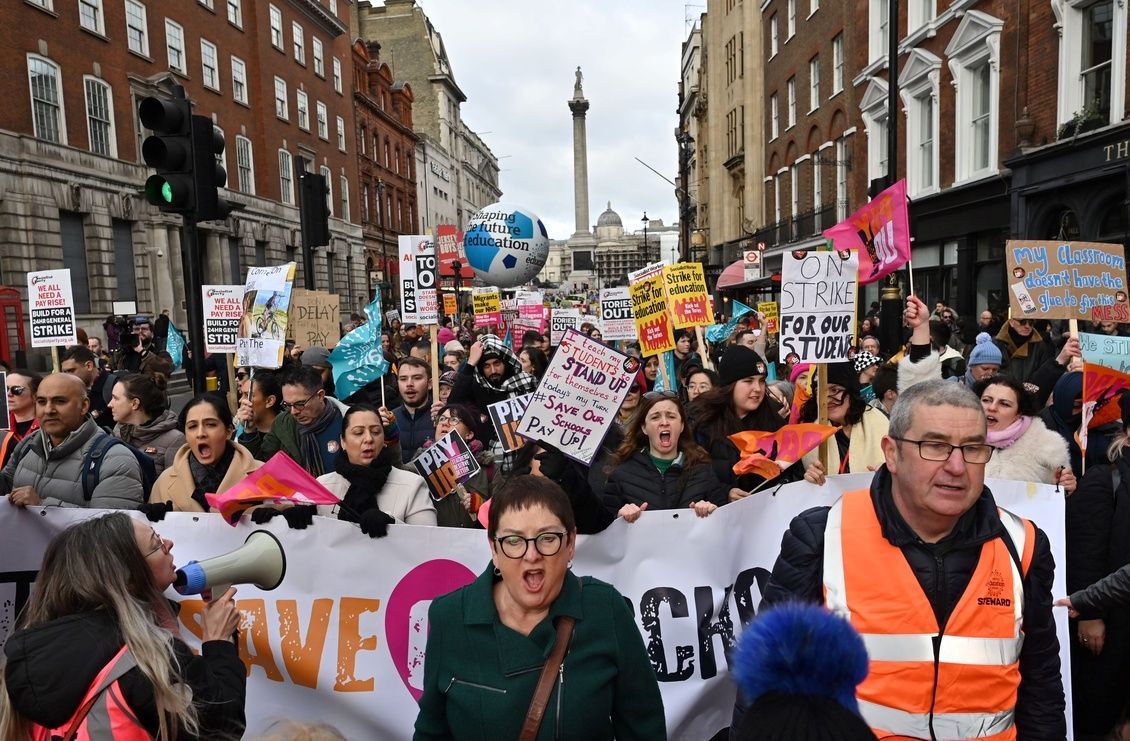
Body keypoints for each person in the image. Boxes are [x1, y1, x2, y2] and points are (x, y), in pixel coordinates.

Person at [759, 379, 1066, 739]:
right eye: (934, 446)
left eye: (972, 448)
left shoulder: (1023, 544)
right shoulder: (822, 536)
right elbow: (770, 685)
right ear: (891, 453)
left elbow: (1040, 682)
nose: (956, 466)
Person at [413, 476, 666, 740]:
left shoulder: (605, 609)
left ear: (570, 544)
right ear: (494, 549)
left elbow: (644, 727)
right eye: (513, 540)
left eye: (547, 538)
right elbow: (432, 731)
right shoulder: (450, 617)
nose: (531, 555)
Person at [0, 512, 246, 740]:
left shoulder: (33, 657)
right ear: (128, 579)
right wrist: (219, 640)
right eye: (156, 543)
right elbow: (221, 726)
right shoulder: (145, 663)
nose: (168, 543)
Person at [1059, 391, 1130, 740]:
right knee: (1098, 710)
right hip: (1109, 625)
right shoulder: (1105, 480)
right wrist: (1090, 613)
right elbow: (1084, 553)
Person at [2, 373, 145, 509]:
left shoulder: (116, 459)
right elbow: (6, 485)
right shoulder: (28, 444)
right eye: (41, 401)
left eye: (60, 401)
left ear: (84, 406)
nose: (48, 410)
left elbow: (112, 529)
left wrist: (42, 506)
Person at [306, 404, 436, 533]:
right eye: (358, 433)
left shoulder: (413, 485)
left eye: (375, 432)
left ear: (384, 439)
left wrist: (392, 525)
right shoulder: (322, 487)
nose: (368, 439)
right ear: (343, 441)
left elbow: (428, 540)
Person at [605, 391, 727, 522]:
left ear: (682, 426)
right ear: (644, 428)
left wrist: (713, 511)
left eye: (671, 416)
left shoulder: (703, 472)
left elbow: (725, 523)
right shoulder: (622, 474)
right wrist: (618, 517)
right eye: (655, 417)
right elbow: (603, 527)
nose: (664, 422)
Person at [146, 393, 262, 515]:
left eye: (211, 424)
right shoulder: (164, 482)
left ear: (228, 431)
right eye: (192, 426)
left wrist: (275, 511)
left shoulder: (262, 474)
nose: (200, 433)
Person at [972, 375, 1075, 493]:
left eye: (1004, 404)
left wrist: (1066, 485)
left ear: (1019, 412)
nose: (992, 407)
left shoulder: (1048, 446)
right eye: (986, 400)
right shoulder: (958, 437)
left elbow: (1056, 495)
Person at [800, 362, 890, 480]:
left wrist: (888, 475)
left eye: (835, 390)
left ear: (851, 391)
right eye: (820, 391)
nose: (826, 399)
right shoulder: (807, 435)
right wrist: (808, 479)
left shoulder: (880, 420)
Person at [415, 403, 494, 527]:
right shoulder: (421, 463)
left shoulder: (487, 468)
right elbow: (397, 474)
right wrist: (391, 436)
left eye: (454, 420)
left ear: (469, 434)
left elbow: (502, 510)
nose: (445, 423)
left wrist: (481, 506)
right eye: (441, 418)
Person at [108, 372, 185, 476]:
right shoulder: (118, 431)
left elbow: (174, 485)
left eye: (115, 398)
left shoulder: (175, 440)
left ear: (134, 403)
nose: (109, 404)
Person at [448, 334, 539, 417]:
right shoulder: (477, 387)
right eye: (486, 366)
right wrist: (471, 363)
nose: (493, 371)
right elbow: (453, 403)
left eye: (497, 364)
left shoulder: (527, 382)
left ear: (505, 364)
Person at [281, 365, 344, 476]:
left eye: (300, 404)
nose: (293, 412)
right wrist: (250, 431)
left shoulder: (348, 423)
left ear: (320, 396)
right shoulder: (283, 424)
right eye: (287, 405)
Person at [235, 369, 303, 463]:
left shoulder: (291, 429)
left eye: (248, 395)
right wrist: (249, 432)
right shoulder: (240, 431)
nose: (241, 400)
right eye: (241, 394)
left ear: (270, 401)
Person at [60, 345, 115, 431]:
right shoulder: (68, 391)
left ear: (89, 365)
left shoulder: (114, 386)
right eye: (65, 372)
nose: (67, 376)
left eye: (71, 371)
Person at [393, 356, 436, 463]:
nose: (409, 384)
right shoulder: (389, 419)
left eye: (417, 378)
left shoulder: (441, 417)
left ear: (430, 384)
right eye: (403, 379)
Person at [5, 369, 42, 441]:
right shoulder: (3, 428)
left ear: (35, 395)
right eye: (6, 389)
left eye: (16, 389)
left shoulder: (48, 426)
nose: (8, 394)